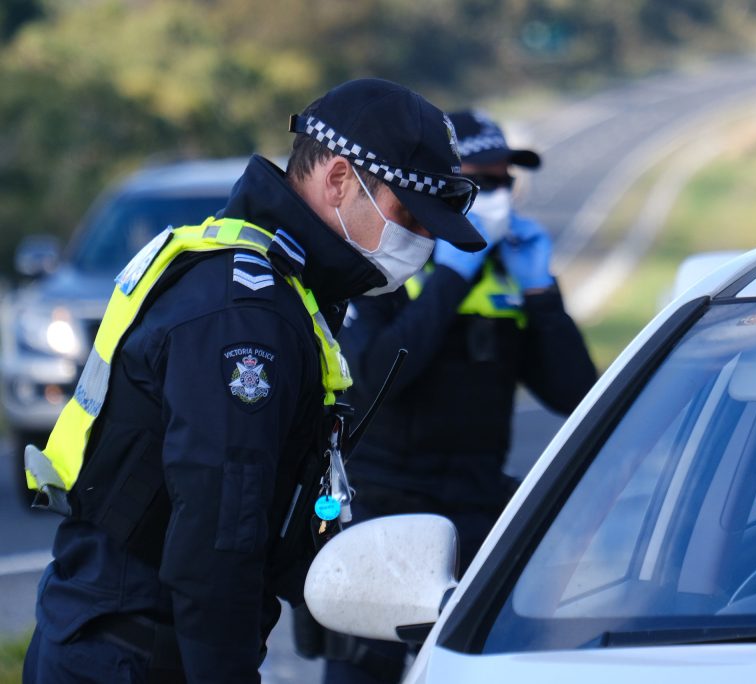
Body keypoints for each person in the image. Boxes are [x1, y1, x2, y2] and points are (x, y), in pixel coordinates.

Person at [22, 77, 484, 684]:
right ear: (340, 180)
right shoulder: (247, 318)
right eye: (409, 217)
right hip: (132, 656)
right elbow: (217, 543)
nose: (421, 242)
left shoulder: (289, 289)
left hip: (136, 644)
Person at [306, 109, 597, 683]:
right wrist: (450, 279)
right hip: (383, 506)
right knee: (363, 669)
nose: (497, 196)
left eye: (505, 182)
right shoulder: (385, 261)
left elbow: (577, 394)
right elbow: (373, 377)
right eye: (480, 183)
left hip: (475, 504)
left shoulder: (511, 268)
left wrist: (540, 292)